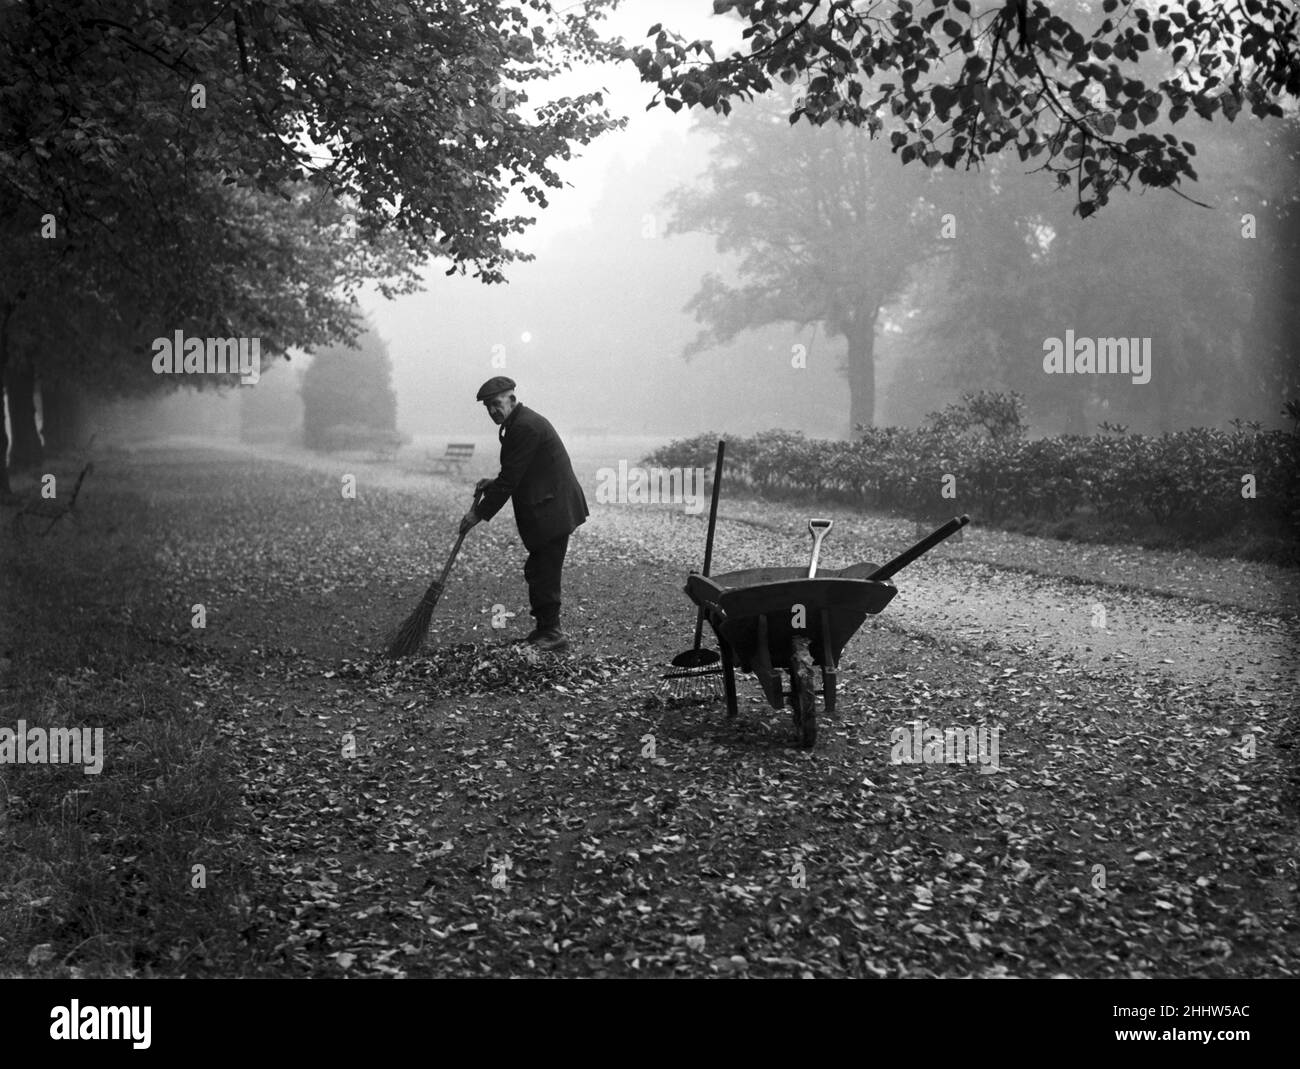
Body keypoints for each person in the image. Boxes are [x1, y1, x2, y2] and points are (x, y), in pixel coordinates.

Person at [460, 377, 588, 653]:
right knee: (540, 569)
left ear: (512, 400)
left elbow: (510, 480)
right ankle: (545, 629)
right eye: (488, 407)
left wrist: (478, 515)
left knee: (544, 570)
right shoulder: (519, 424)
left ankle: (552, 634)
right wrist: (495, 483)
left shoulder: (524, 427)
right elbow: (520, 471)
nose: (493, 410)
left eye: (496, 404)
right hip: (550, 504)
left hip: (553, 507)